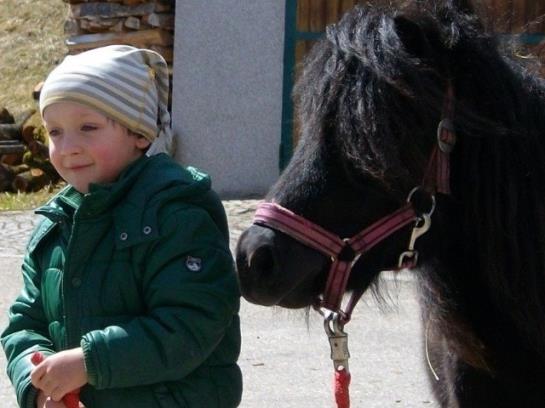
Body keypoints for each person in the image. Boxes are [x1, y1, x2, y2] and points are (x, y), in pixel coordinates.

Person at [1, 45, 242, 408]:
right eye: (55, 132)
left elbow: (192, 322)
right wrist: (40, 383)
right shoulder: (56, 224)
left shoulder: (175, 213)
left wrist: (89, 362)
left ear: (139, 133)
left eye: (88, 127)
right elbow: (25, 323)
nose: (68, 148)